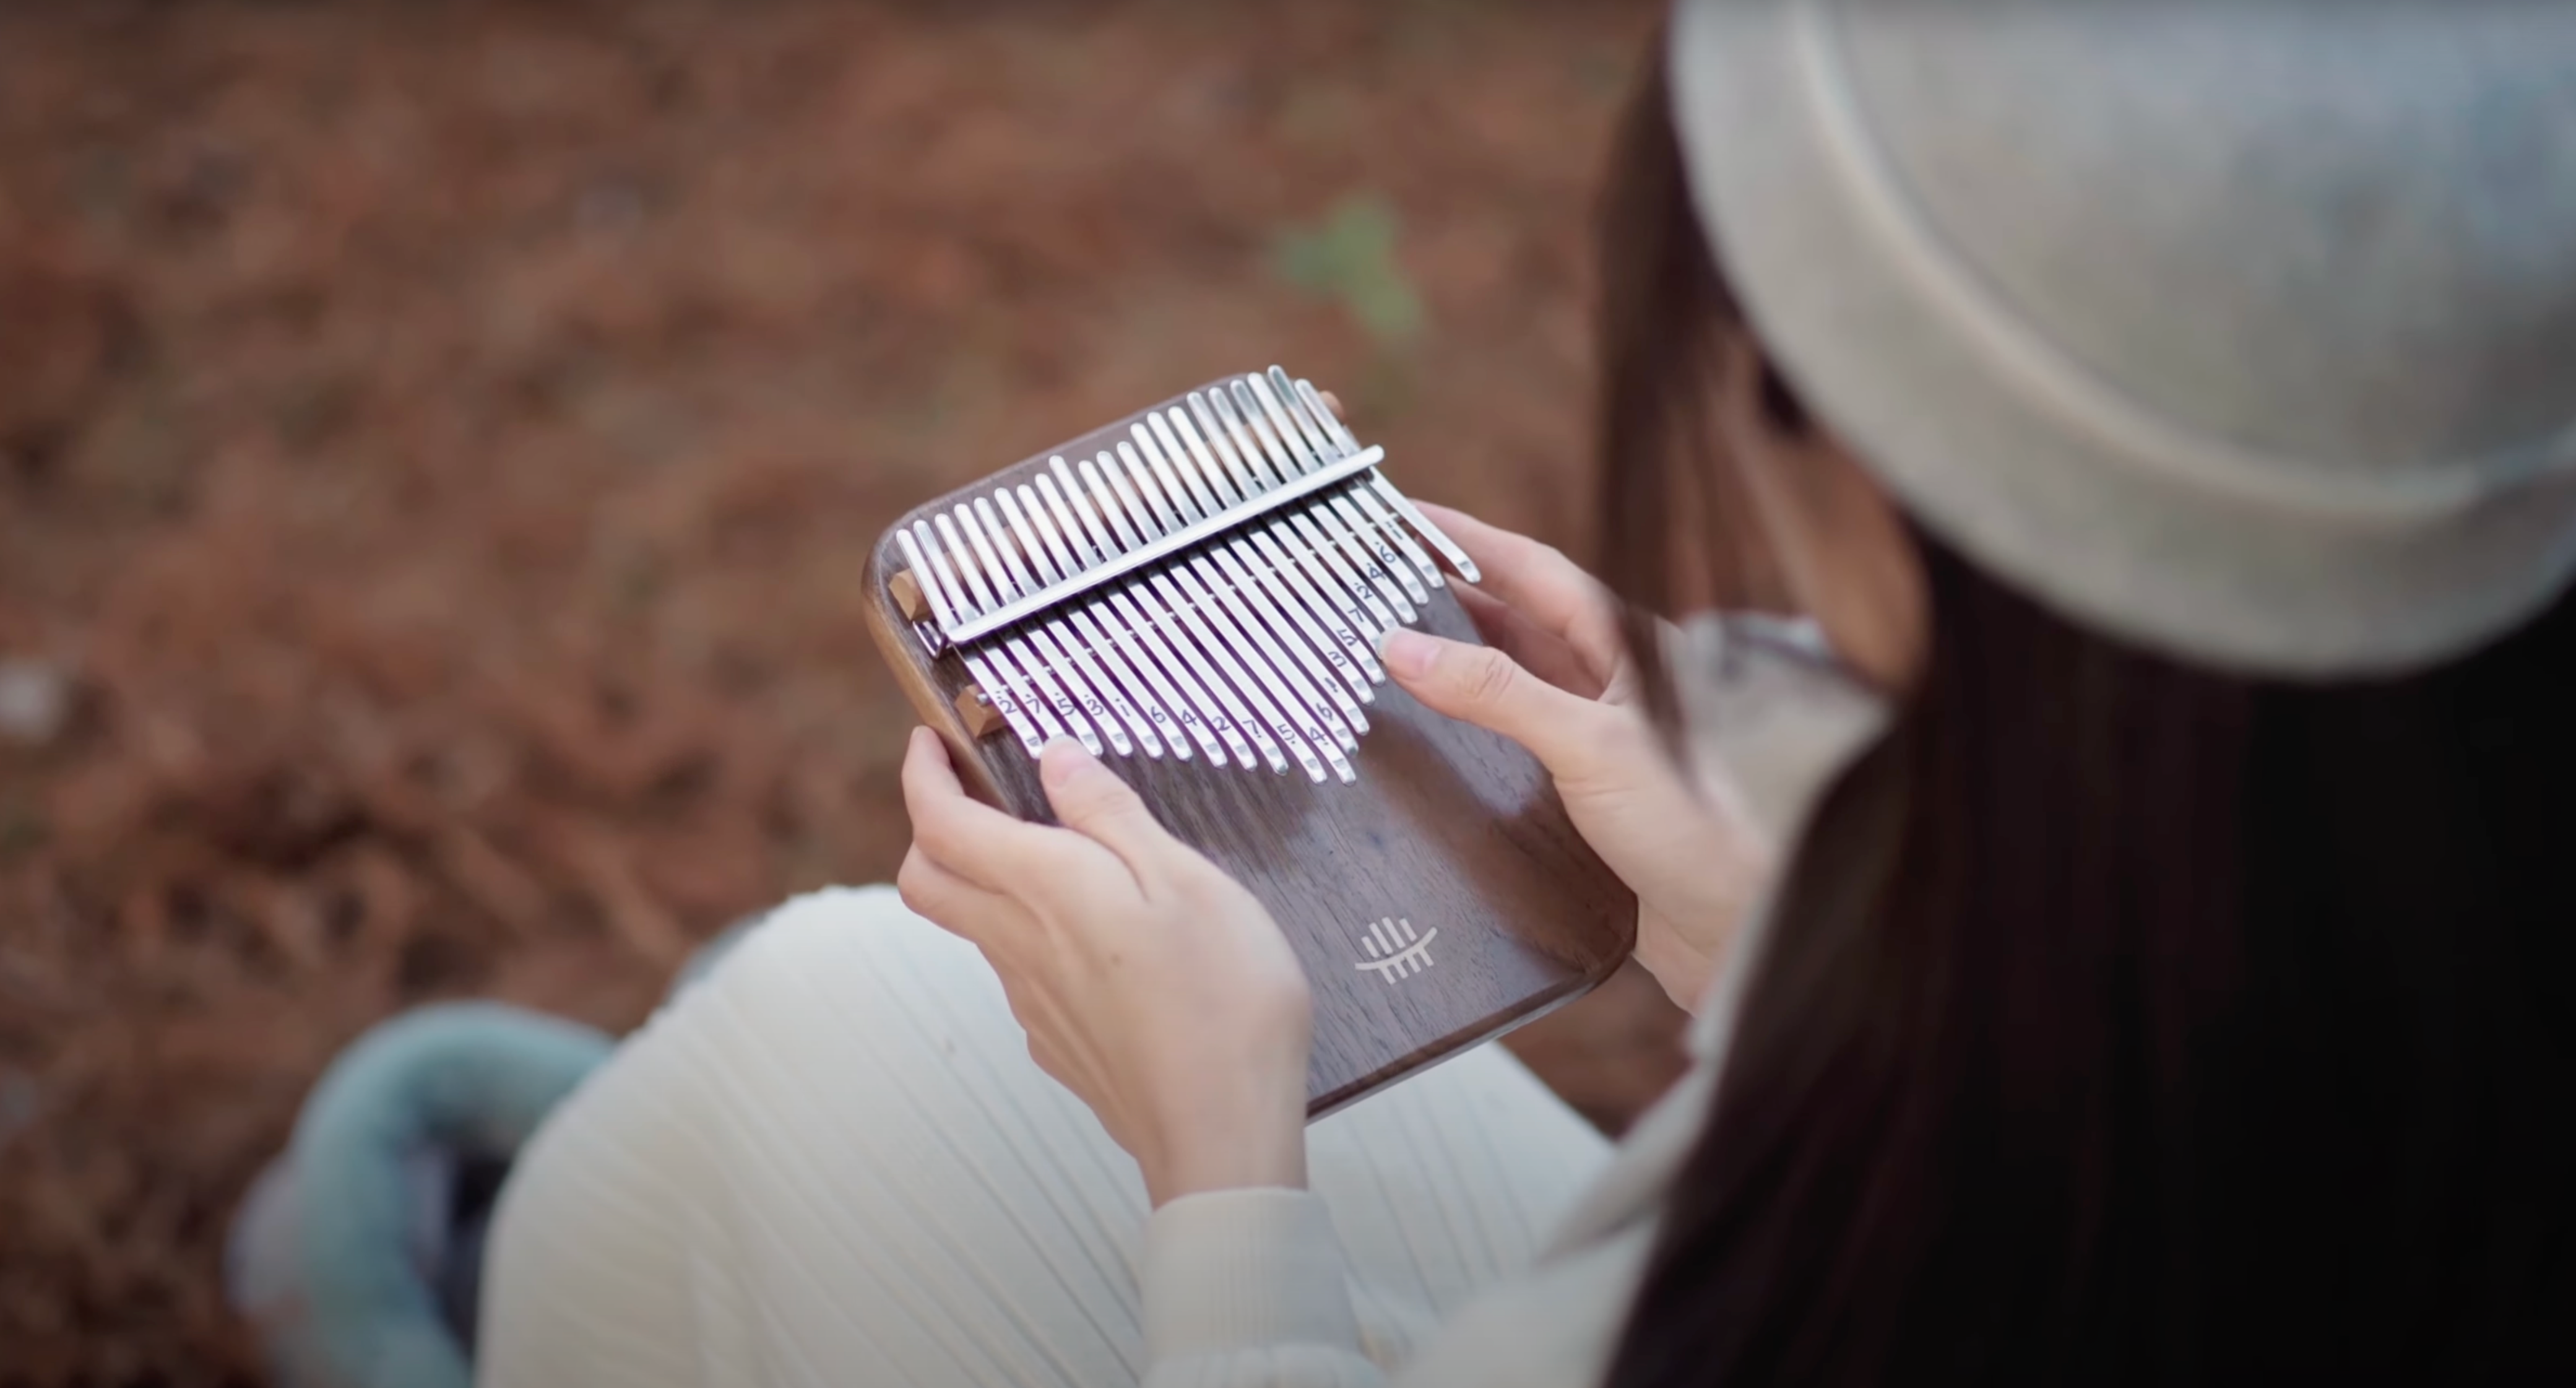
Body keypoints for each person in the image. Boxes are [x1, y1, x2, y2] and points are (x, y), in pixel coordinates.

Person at [477, 2, 2576, 1384]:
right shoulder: (2399, 935)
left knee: (796, 1044)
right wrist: (1769, 920)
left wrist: (1219, 1167)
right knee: (823, 1040)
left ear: (1875, 474)